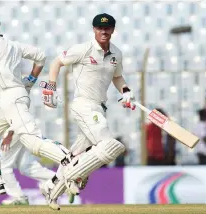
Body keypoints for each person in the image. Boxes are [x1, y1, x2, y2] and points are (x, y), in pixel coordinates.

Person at [0, 14, 72, 196]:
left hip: (13, 98)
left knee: (33, 141)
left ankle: (69, 159)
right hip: (10, 99)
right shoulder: (14, 46)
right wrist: (31, 79)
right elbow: (41, 56)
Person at [39, 13, 134, 210]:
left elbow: (118, 77)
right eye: (100, 28)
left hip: (99, 107)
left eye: (107, 28)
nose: (104, 31)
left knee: (76, 154)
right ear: (94, 30)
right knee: (109, 145)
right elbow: (56, 62)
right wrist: (51, 86)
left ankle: (51, 188)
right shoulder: (83, 49)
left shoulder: (116, 53)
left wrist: (126, 91)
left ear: (113, 30)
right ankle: (76, 175)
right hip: (83, 105)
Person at [0, 78, 55, 205]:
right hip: (11, 130)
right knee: (25, 166)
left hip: (14, 129)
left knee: (2, 165)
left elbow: (15, 113)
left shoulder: (1, 92)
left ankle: (18, 198)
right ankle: (57, 180)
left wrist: (9, 135)